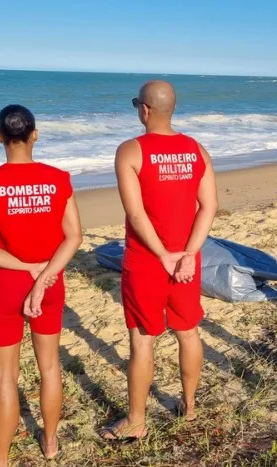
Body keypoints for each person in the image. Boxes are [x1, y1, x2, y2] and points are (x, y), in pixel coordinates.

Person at [0, 105, 83, 467]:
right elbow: (74, 237)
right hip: (50, 283)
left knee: (5, 378)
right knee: (49, 366)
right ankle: (50, 442)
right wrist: (45, 272)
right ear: (35, 134)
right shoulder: (58, 178)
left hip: (6, 284)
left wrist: (25, 268)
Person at [100, 80, 218, 441]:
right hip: (185, 260)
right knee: (187, 331)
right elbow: (209, 207)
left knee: (142, 340)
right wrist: (187, 255)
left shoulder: (130, 151)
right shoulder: (196, 149)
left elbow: (136, 215)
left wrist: (165, 256)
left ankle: (137, 421)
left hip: (147, 261)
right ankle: (190, 405)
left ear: (145, 110)